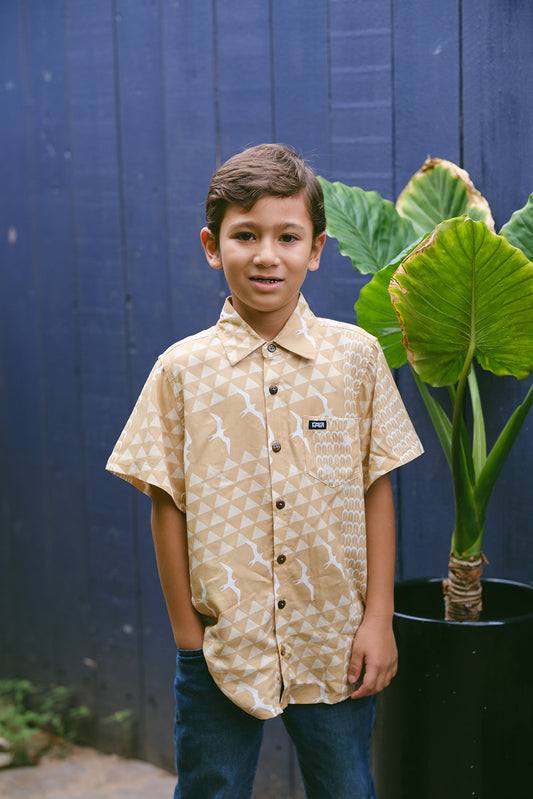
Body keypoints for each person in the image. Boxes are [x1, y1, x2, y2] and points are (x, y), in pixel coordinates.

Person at [106, 143, 423, 799]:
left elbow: (376, 485)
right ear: (211, 245)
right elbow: (167, 503)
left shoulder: (355, 358)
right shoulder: (180, 371)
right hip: (223, 642)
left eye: (287, 236)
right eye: (244, 235)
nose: (265, 254)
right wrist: (187, 637)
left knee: (346, 785)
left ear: (315, 248)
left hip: (335, 635)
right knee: (210, 786)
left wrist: (378, 617)